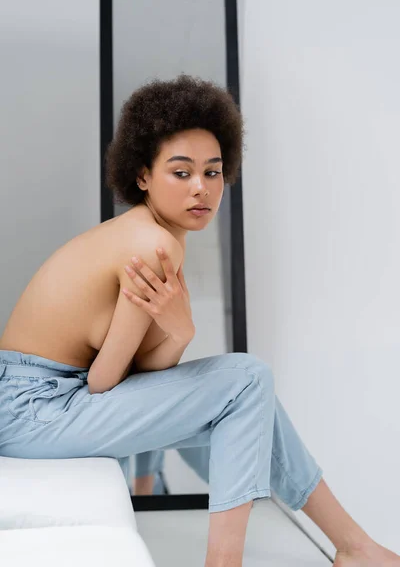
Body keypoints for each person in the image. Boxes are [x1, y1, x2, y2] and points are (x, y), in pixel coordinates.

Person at [0, 74, 398, 567]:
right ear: (142, 175)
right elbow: (104, 382)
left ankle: (354, 547)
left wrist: (177, 330)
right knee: (248, 379)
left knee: (254, 397)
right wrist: (181, 331)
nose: (202, 189)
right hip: (35, 409)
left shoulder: (154, 234)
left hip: (42, 402)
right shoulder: (153, 245)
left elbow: (136, 375)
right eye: (181, 172)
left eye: (213, 172)